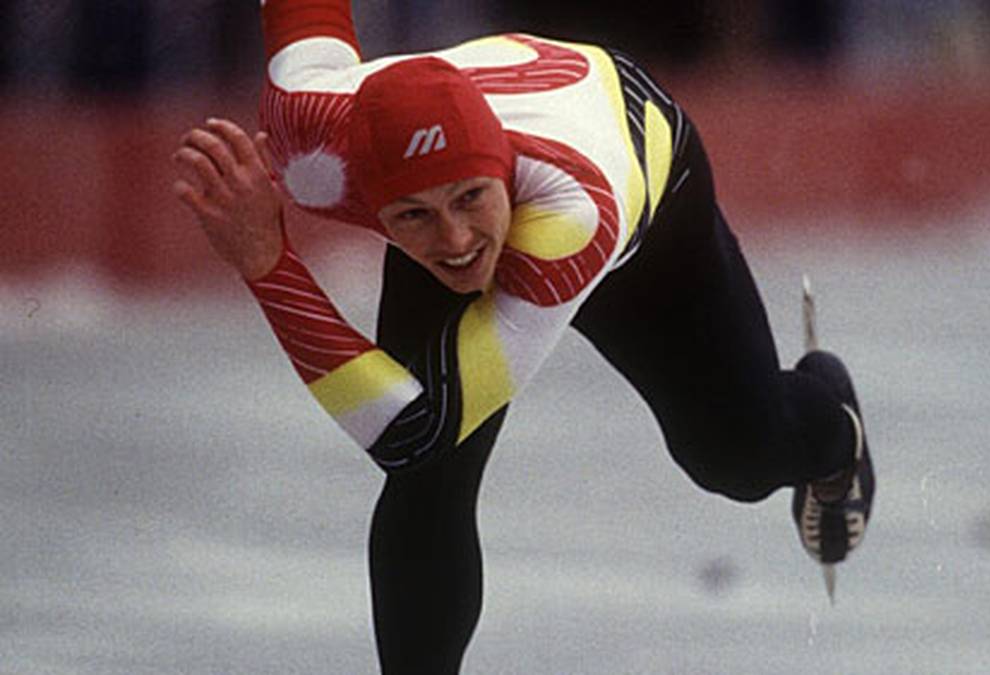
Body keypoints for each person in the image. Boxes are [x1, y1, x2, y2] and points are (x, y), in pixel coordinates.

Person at [171, 1, 875, 672]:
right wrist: (451, 201)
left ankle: (831, 430)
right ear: (371, 198)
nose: (455, 241)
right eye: (412, 217)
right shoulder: (308, 142)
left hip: (638, 183)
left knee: (735, 458)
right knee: (427, 481)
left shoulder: (573, 215)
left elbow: (414, 425)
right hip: (489, 149)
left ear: (501, 173)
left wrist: (269, 265)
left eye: (469, 201)